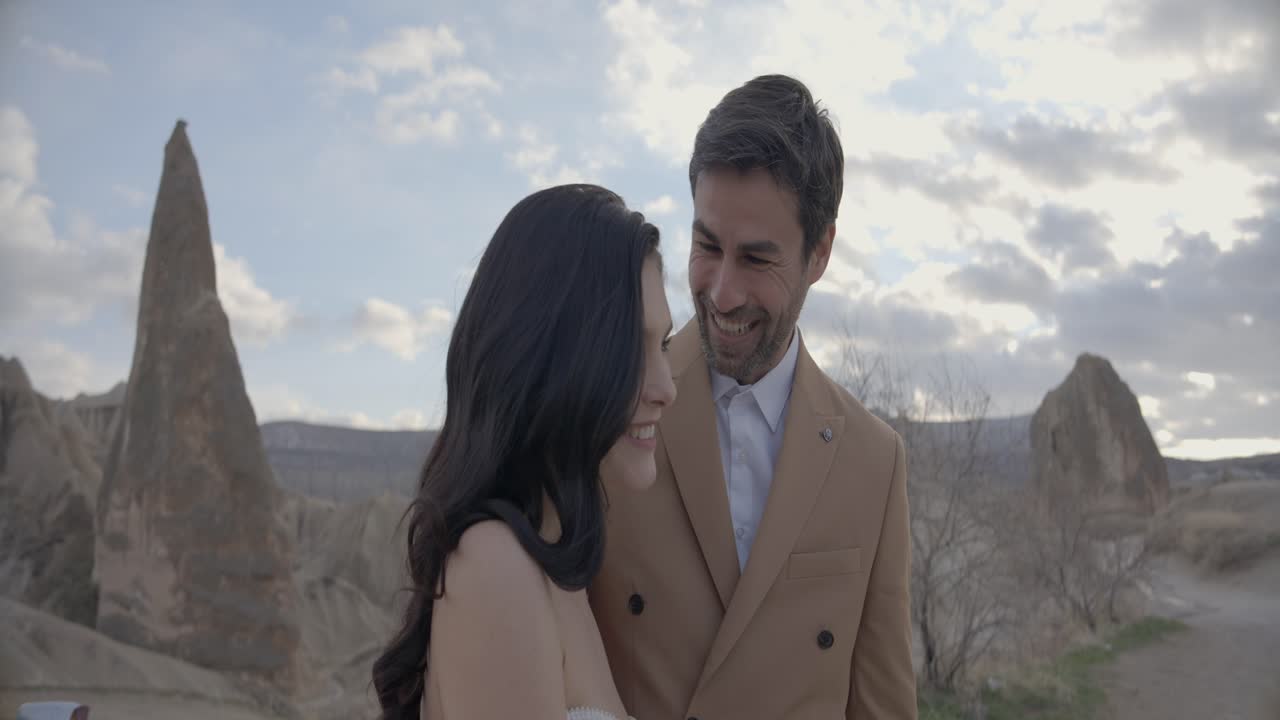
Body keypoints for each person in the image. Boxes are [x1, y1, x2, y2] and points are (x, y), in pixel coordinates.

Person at [588, 74, 918, 718]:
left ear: (819, 252)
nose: (722, 292)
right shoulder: (606, 412)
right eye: (707, 246)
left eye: (758, 259)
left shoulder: (875, 464)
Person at [372, 184, 677, 720]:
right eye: (632, 348)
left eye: (665, 345)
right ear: (552, 355)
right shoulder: (496, 565)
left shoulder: (555, 566)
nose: (665, 386)